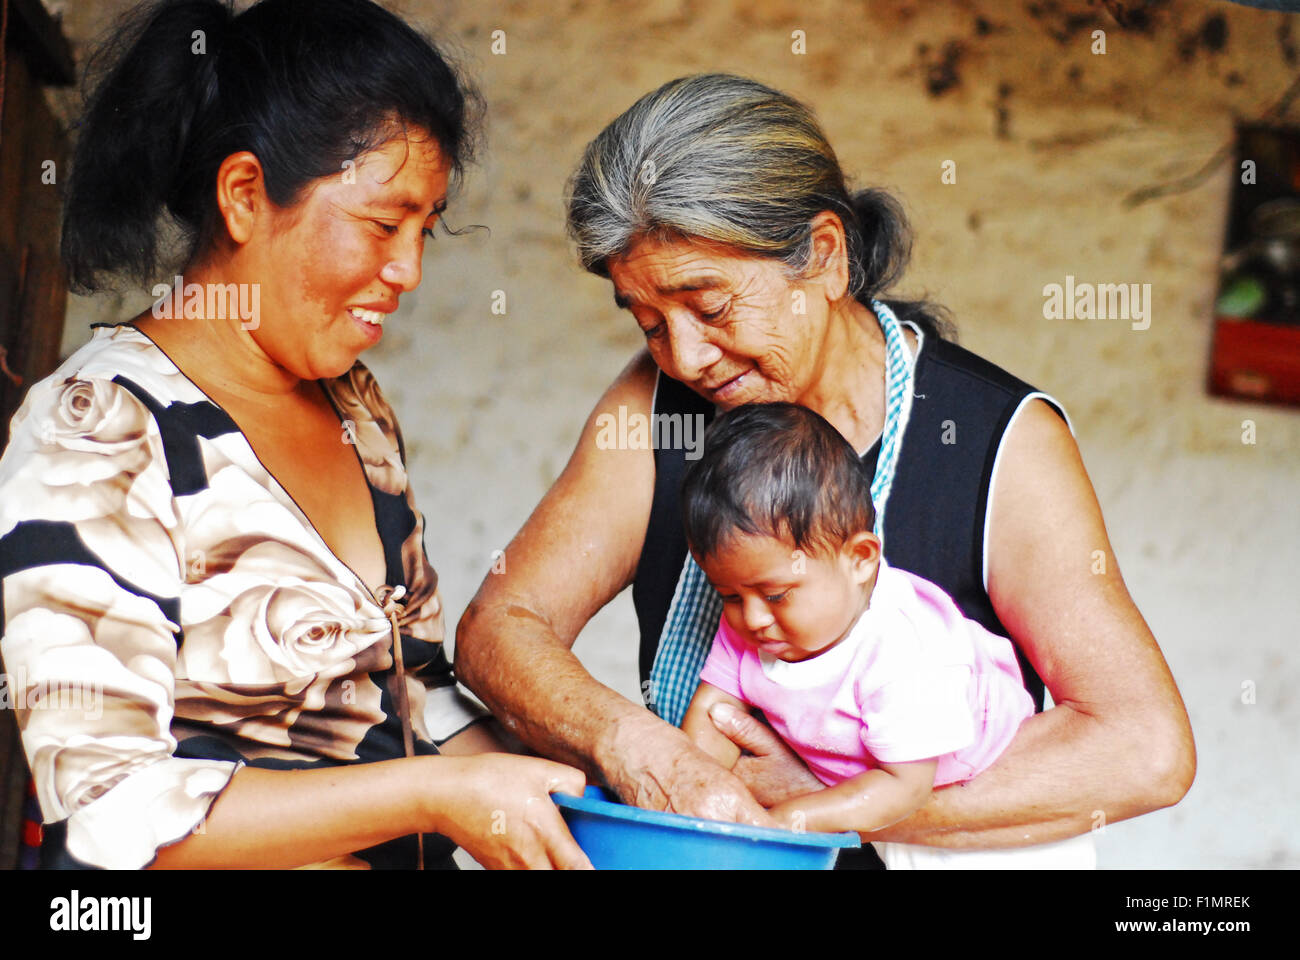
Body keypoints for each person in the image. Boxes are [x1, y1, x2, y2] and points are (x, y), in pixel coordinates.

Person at [454, 73, 1195, 867]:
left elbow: (1143, 748)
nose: (686, 356)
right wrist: (644, 750)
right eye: (648, 321)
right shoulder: (658, 402)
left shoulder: (998, 444)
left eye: (709, 307)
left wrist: (825, 797)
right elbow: (500, 628)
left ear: (827, 256)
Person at [0, 0, 589, 870]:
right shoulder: (100, 429)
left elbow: (411, 694)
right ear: (244, 196)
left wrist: (586, 791)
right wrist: (438, 797)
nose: (409, 270)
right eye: (384, 224)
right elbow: (111, 806)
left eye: (427, 229)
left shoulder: (355, 409)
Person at [679, 402, 1095, 869]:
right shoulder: (755, 621)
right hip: (884, 814)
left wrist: (788, 819)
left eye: (775, 594)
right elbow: (711, 720)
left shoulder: (900, 646)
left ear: (860, 558)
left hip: (993, 830)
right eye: (729, 595)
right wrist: (692, 797)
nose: (751, 618)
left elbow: (905, 786)